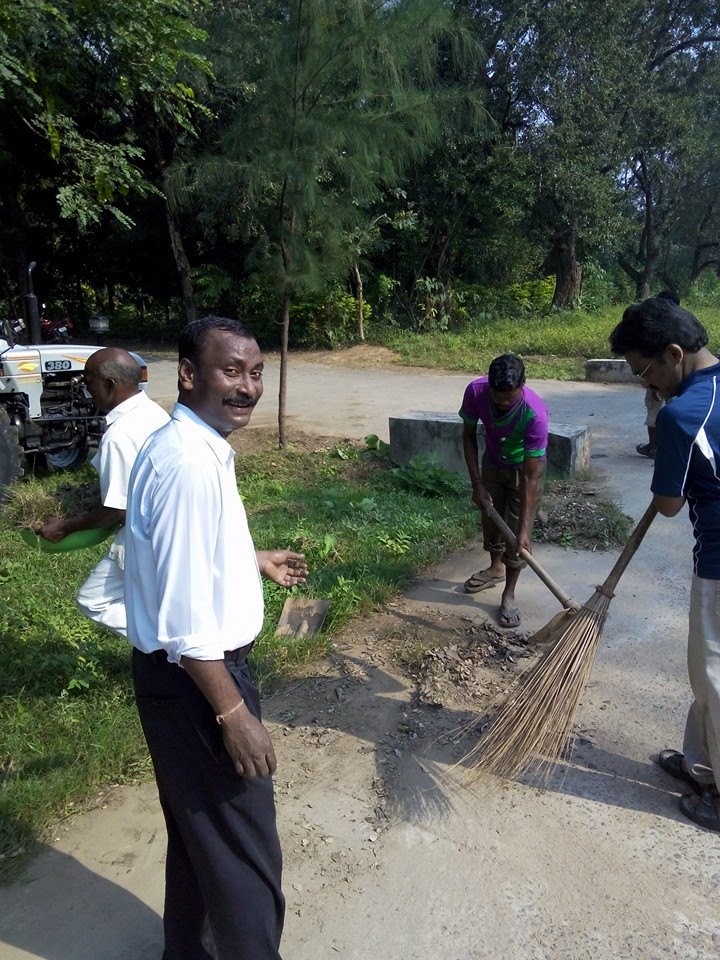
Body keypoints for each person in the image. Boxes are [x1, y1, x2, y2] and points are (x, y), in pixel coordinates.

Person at [124, 315, 308, 960]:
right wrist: (232, 712)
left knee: (202, 838)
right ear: (189, 373)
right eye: (232, 371)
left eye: (257, 373)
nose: (248, 387)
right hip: (200, 683)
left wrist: (249, 558)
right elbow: (184, 619)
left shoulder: (190, 445)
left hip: (175, 681)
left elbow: (178, 557)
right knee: (246, 856)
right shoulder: (188, 466)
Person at [610, 292, 720, 832]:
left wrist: (666, 444)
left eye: (644, 372)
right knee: (707, 671)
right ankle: (702, 766)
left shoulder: (681, 413)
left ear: (674, 354)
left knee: (716, 675)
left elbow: (670, 505)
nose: (644, 386)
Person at [36, 347, 169, 636]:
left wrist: (65, 526)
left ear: (109, 385)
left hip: (145, 536)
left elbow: (116, 509)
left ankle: (169, 645)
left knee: (93, 599)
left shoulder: (119, 436)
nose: (85, 390)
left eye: (88, 382)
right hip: (168, 528)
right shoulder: (154, 412)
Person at [459, 354, 549, 628]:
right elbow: (468, 435)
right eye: (498, 399)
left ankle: (508, 593)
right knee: (489, 516)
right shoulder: (476, 391)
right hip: (493, 461)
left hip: (524, 469)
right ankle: (495, 566)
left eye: (509, 399)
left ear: (523, 384)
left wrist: (523, 528)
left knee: (516, 535)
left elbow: (532, 476)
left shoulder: (534, 414)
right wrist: (478, 483)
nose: (503, 404)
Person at [637, 386, 664, 459]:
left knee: (653, 414)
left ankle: (653, 448)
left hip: (660, 385)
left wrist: (654, 389)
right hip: (674, 385)